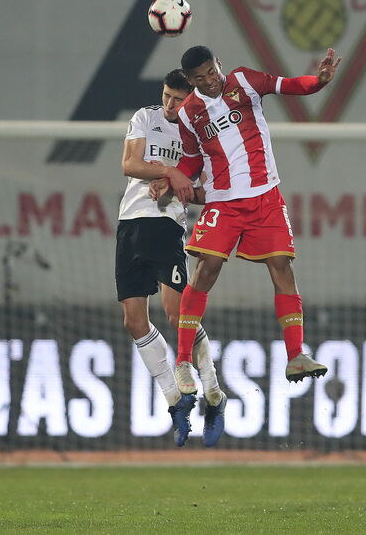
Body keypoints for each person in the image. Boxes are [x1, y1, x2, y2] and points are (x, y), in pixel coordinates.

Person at [153, 45, 341, 395]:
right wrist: (173, 178)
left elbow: (290, 85)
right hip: (224, 202)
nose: (209, 81)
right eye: (200, 79)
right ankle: (183, 360)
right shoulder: (190, 113)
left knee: (282, 267)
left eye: (211, 72)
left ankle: (296, 354)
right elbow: (192, 161)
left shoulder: (244, 81)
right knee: (206, 268)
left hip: (265, 196)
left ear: (218, 64)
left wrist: (319, 81)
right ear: (191, 82)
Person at [116, 69, 227, 448]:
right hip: (129, 223)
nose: (169, 105)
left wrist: (178, 185)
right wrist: (169, 171)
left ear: (191, 99)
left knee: (177, 315)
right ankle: (175, 398)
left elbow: (204, 192)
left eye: (178, 100)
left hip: (166, 225)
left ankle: (212, 392)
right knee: (133, 321)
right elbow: (130, 165)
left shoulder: (197, 132)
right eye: (166, 96)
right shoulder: (146, 117)